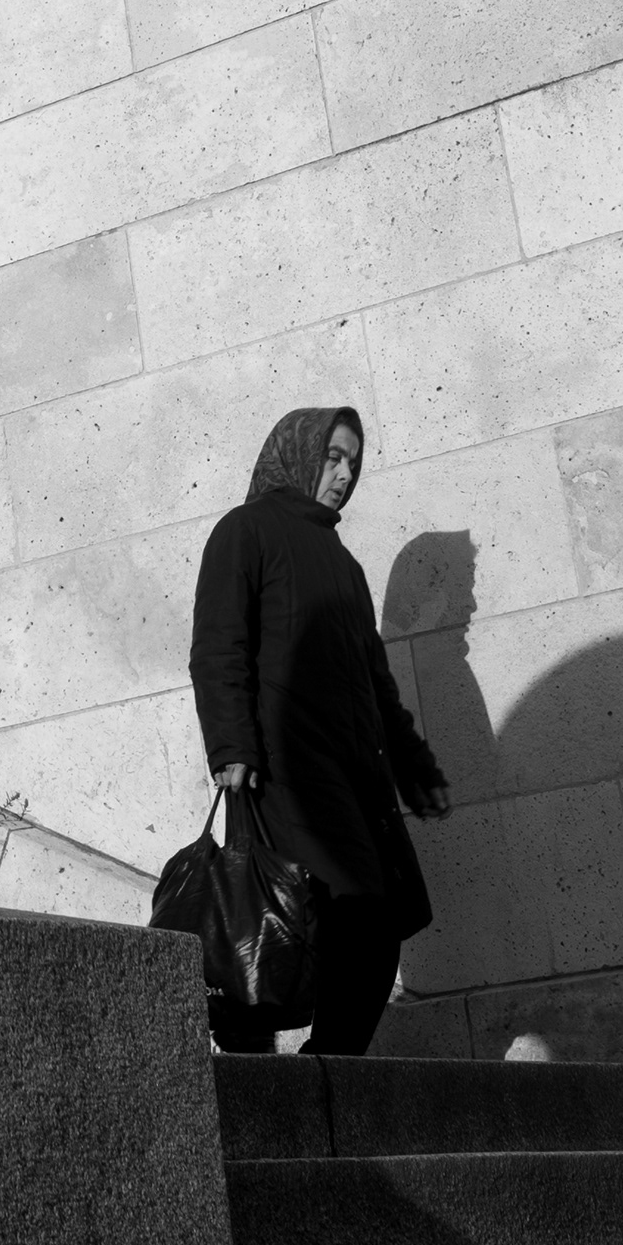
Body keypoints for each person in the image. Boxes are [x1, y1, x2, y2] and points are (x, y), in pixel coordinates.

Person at [187, 403, 450, 1055]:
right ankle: (259, 1065)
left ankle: (327, 1067)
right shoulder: (244, 532)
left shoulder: (346, 566)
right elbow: (217, 646)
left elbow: (377, 681)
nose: (342, 474)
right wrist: (232, 745)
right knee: (291, 914)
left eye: (353, 463)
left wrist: (414, 768)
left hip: (355, 778)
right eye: (332, 457)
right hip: (283, 772)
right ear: (298, 452)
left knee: (377, 923)